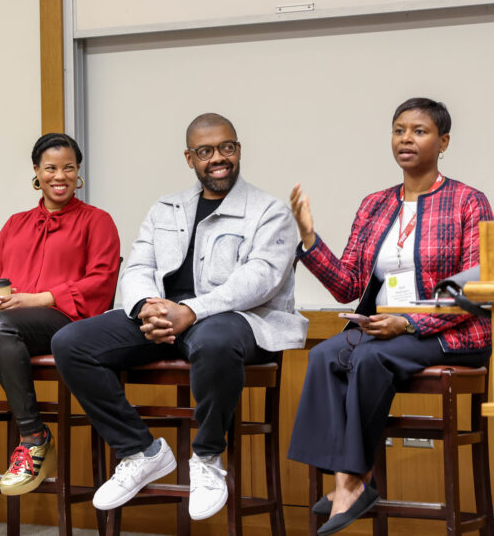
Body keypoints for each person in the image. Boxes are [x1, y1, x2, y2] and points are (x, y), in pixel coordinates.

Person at [52, 113, 306, 521]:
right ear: (190, 158)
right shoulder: (165, 208)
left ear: (238, 150)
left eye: (226, 148)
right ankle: (140, 451)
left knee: (215, 341)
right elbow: (138, 267)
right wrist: (147, 306)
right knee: (71, 343)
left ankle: (206, 458)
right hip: (167, 318)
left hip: (236, 320)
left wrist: (191, 311)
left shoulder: (269, 211)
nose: (217, 158)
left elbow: (260, 280)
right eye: (205, 151)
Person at [287, 97, 494, 536]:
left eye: (419, 131)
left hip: (453, 333)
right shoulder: (375, 205)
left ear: (443, 142)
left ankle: (351, 482)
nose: (406, 139)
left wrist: (411, 323)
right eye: (399, 130)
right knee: (324, 355)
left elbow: (474, 286)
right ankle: (346, 480)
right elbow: (348, 285)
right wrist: (309, 239)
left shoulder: (468, 202)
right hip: (386, 329)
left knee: (367, 359)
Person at [0, 133, 120, 496]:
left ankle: (34, 438)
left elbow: (101, 281)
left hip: (64, 322)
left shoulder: (97, 221)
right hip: (3, 321)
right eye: (51, 168)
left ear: (78, 172)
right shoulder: (16, 223)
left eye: (68, 167)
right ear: (36, 171)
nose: (59, 176)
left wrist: (36, 299)